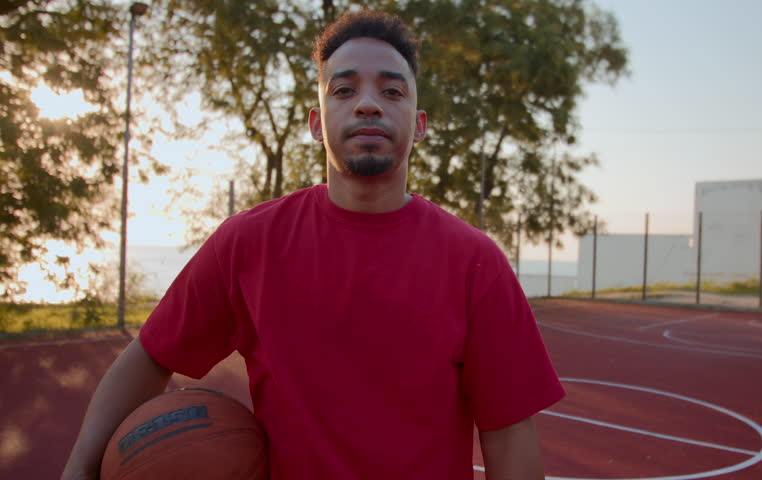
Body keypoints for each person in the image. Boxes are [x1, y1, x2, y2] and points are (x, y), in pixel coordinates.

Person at [62, 11, 564, 480]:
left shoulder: (474, 262)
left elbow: (509, 432)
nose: (368, 103)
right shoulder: (249, 242)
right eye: (343, 89)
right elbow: (150, 355)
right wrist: (78, 471)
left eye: (393, 91)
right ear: (316, 123)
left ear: (420, 125)